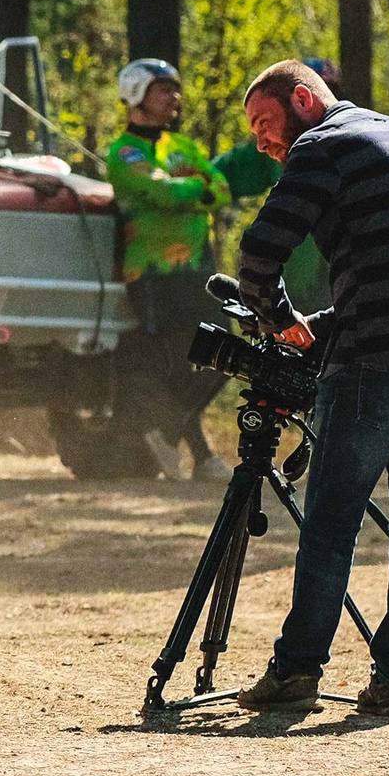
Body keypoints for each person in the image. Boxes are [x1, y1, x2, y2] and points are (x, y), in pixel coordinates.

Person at [231, 61, 389, 717]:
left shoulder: (321, 145)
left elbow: (259, 252)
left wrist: (278, 319)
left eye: (265, 123)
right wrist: (316, 328)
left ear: (302, 99)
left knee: (332, 517)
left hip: (379, 359)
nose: (264, 142)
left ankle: (296, 670)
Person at [104, 58, 235, 481]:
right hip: (153, 274)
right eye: (164, 89)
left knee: (222, 354)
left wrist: (187, 190)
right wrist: (192, 189)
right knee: (181, 362)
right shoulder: (125, 152)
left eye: (175, 89)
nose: (174, 97)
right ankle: (202, 457)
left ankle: (167, 434)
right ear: (136, 95)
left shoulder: (186, 147)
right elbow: (160, 192)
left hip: (198, 270)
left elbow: (220, 189)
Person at [211, 54, 338, 314]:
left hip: (337, 284)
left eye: (331, 89)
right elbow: (229, 171)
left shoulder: (351, 142)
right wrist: (192, 182)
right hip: (294, 279)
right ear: (301, 98)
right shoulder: (279, 144)